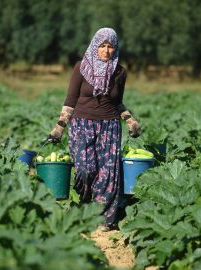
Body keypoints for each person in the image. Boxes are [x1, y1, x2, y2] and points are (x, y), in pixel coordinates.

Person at [48, 27, 141, 231]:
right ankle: (86, 203)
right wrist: (59, 126)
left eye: (111, 47)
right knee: (84, 168)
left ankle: (105, 220)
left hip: (110, 126)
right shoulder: (81, 67)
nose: (106, 51)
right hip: (82, 124)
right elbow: (71, 100)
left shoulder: (120, 72)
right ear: (94, 46)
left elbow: (117, 103)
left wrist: (130, 120)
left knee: (108, 174)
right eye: (102, 46)